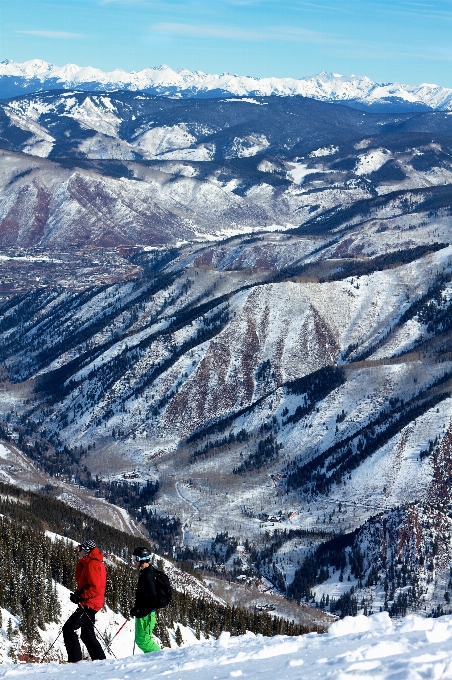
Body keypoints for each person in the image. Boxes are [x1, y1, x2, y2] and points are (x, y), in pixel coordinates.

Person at [62, 539, 107, 663]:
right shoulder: (90, 563)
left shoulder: (93, 564)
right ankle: (101, 661)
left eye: (80, 549)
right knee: (87, 634)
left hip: (90, 603)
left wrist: (80, 596)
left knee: (68, 629)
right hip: (91, 602)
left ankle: (75, 662)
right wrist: (78, 595)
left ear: (86, 551)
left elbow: (95, 588)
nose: (78, 551)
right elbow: (82, 581)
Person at [130, 546, 161, 653]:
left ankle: (161, 658)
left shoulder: (147, 575)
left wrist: (140, 610)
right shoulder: (147, 572)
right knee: (141, 639)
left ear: (141, 559)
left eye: (135, 558)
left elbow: (152, 598)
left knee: (143, 640)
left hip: (146, 614)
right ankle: (154, 660)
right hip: (143, 613)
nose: (134, 561)